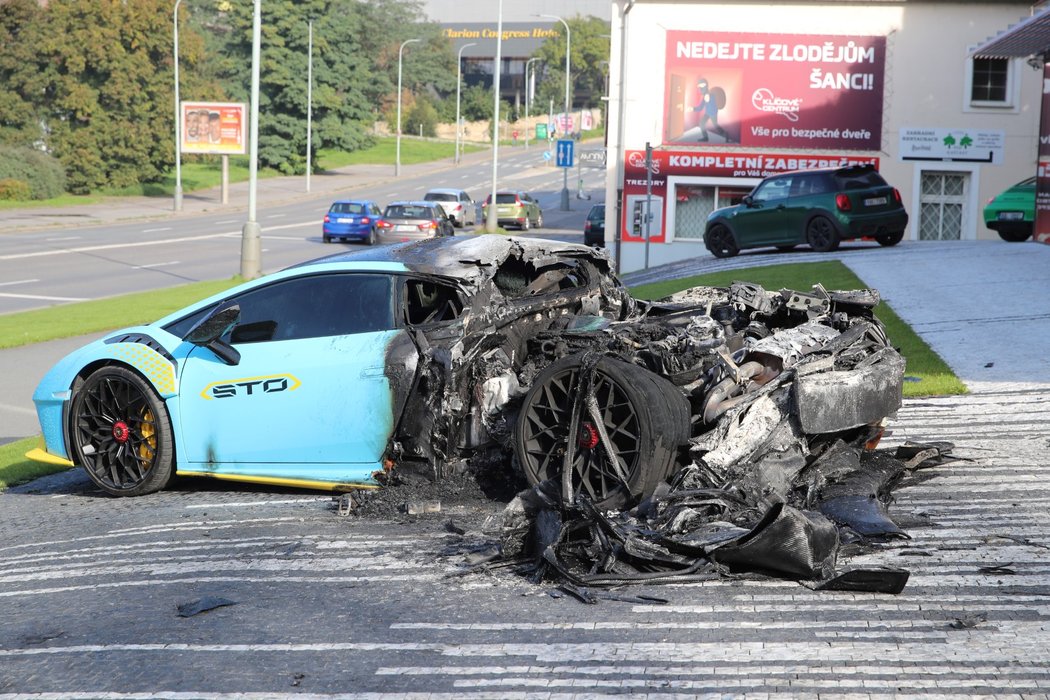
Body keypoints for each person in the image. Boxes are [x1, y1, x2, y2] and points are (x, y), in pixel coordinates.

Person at [692, 78, 729, 142]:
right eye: (699, 86)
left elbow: (713, 105)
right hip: (707, 113)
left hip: (713, 113)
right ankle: (705, 137)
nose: (700, 88)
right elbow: (700, 107)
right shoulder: (705, 96)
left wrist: (708, 99)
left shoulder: (711, 95)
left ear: (706, 86)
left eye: (702, 86)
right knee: (701, 123)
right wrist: (692, 109)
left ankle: (726, 134)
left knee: (715, 125)